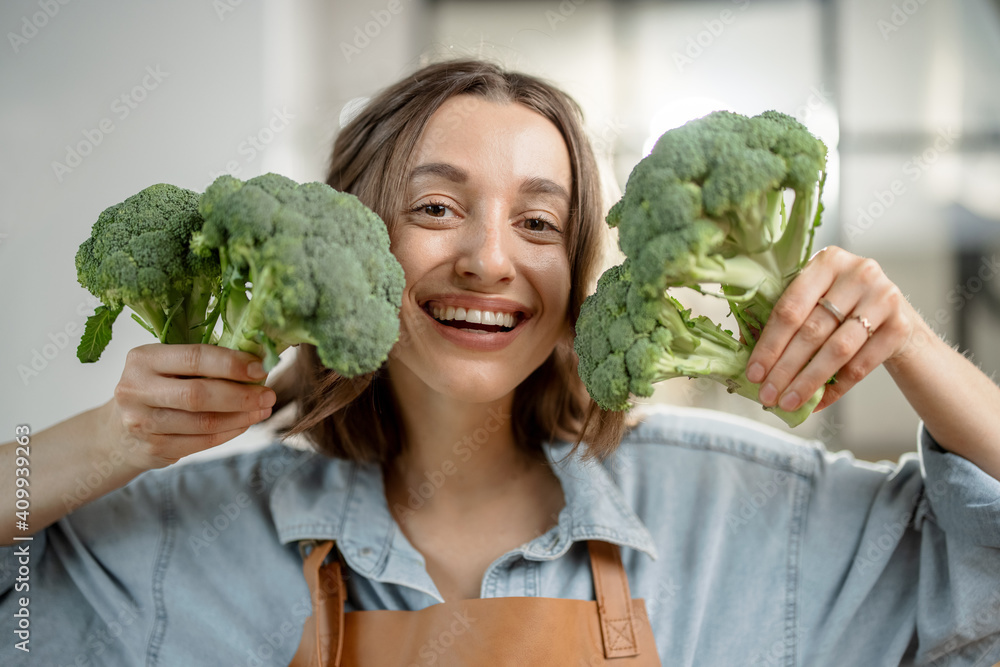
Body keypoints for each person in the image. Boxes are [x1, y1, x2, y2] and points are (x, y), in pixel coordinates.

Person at [2, 59, 999, 666]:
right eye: (435, 207)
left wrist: (908, 344)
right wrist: (110, 438)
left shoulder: (737, 507)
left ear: (573, 271)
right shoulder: (192, 536)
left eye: (536, 220)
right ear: (349, 237)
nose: (487, 256)